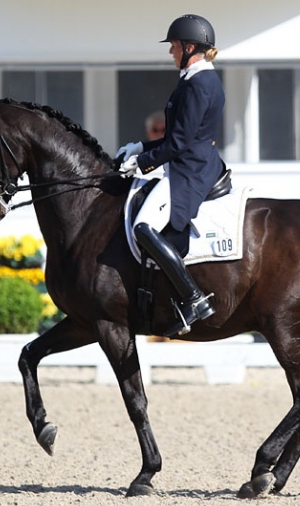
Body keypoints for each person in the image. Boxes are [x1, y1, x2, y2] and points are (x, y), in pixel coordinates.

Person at [116, 13, 225, 337]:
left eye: (175, 46)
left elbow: (179, 142)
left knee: (142, 227)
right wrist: (140, 147)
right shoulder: (194, 79)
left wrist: (143, 163)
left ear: (190, 47)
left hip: (190, 170)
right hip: (187, 160)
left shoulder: (200, 84)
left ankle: (193, 298)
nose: (171, 52)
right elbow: (178, 134)